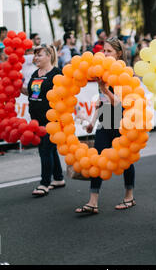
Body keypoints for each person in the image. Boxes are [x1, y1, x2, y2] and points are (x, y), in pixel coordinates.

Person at [75, 37, 136, 214]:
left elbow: (119, 103)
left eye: (109, 51)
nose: (104, 54)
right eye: (103, 50)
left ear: (118, 53)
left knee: (125, 160)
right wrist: (93, 122)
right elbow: (101, 102)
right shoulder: (102, 73)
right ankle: (93, 202)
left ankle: (129, 196)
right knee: (97, 160)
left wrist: (104, 89)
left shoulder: (124, 73)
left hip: (121, 122)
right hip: (104, 122)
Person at [21, 44, 64, 197]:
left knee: (44, 149)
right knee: (50, 148)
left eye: (39, 55)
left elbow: (64, 96)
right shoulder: (35, 73)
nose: (35, 58)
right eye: (35, 55)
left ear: (49, 56)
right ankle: (58, 178)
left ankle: (44, 183)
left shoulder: (57, 73)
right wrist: (19, 86)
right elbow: (32, 93)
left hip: (51, 119)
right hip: (36, 119)